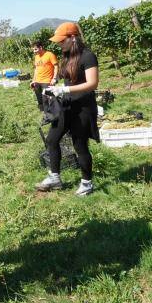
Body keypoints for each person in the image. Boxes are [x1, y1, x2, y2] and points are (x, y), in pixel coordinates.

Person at [36, 22, 99, 196]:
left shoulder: (88, 56)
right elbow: (67, 79)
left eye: (61, 40)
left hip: (83, 108)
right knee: (52, 139)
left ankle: (87, 183)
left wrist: (66, 89)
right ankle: (54, 176)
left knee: (80, 145)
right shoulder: (67, 56)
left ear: (73, 37)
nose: (59, 44)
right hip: (67, 105)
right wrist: (55, 86)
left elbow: (92, 83)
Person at [30, 41, 58, 111]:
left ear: (41, 47)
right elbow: (36, 69)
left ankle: (50, 114)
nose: (34, 51)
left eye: (35, 49)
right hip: (37, 81)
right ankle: (43, 112)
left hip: (47, 81)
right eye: (33, 49)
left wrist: (54, 78)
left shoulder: (49, 55)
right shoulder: (36, 57)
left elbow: (56, 66)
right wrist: (33, 80)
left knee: (47, 98)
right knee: (39, 98)